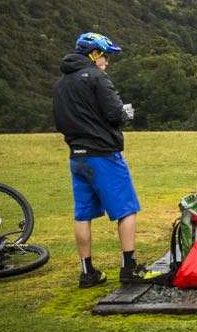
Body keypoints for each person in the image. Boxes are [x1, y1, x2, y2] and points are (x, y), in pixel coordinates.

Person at [53, 31, 154, 288]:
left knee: (82, 214)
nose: (106, 62)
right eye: (105, 56)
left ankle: (87, 272)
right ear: (94, 53)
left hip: (77, 157)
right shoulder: (98, 78)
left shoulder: (61, 83)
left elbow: (60, 120)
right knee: (126, 209)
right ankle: (129, 268)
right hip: (103, 155)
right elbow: (114, 114)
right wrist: (125, 114)